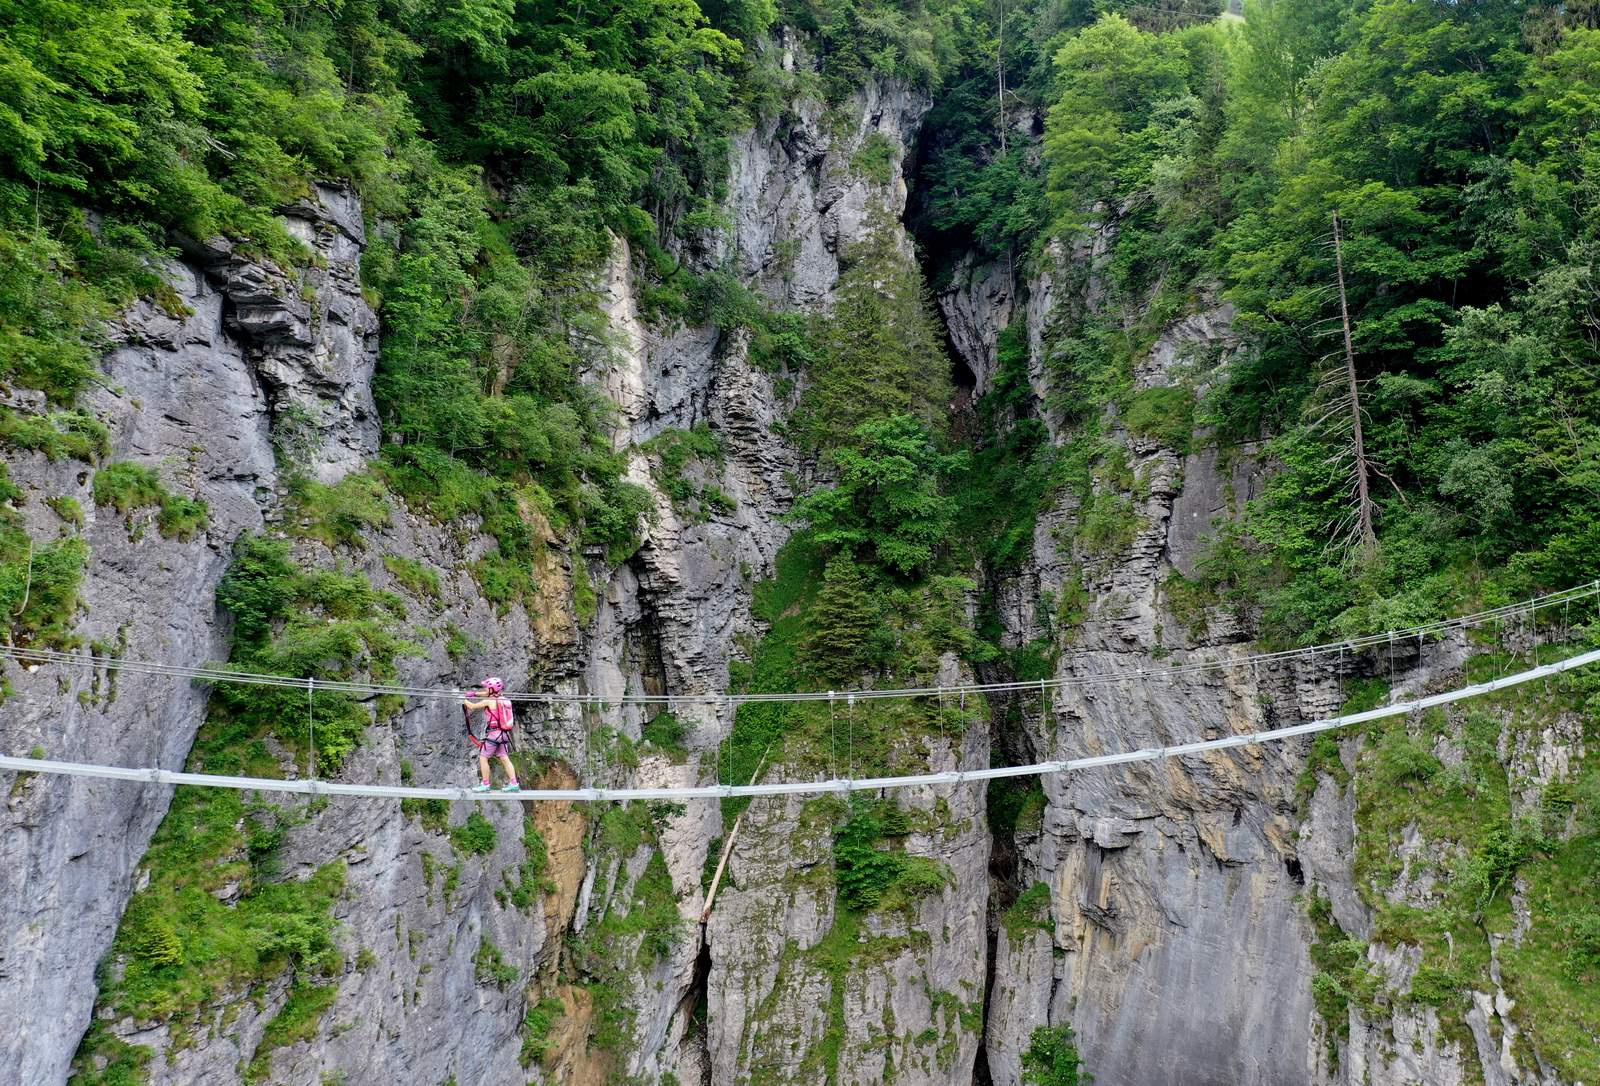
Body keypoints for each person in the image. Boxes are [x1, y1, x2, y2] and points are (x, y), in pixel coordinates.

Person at [463, 676, 520, 793]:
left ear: (492, 689)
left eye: (487, 687)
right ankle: (514, 784)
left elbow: (472, 706)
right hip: (504, 734)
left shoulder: (489, 701)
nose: (486, 689)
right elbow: (486, 694)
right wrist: (474, 694)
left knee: (483, 758)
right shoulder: (503, 699)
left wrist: (462, 699)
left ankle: (485, 784)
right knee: (505, 758)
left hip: (494, 735)